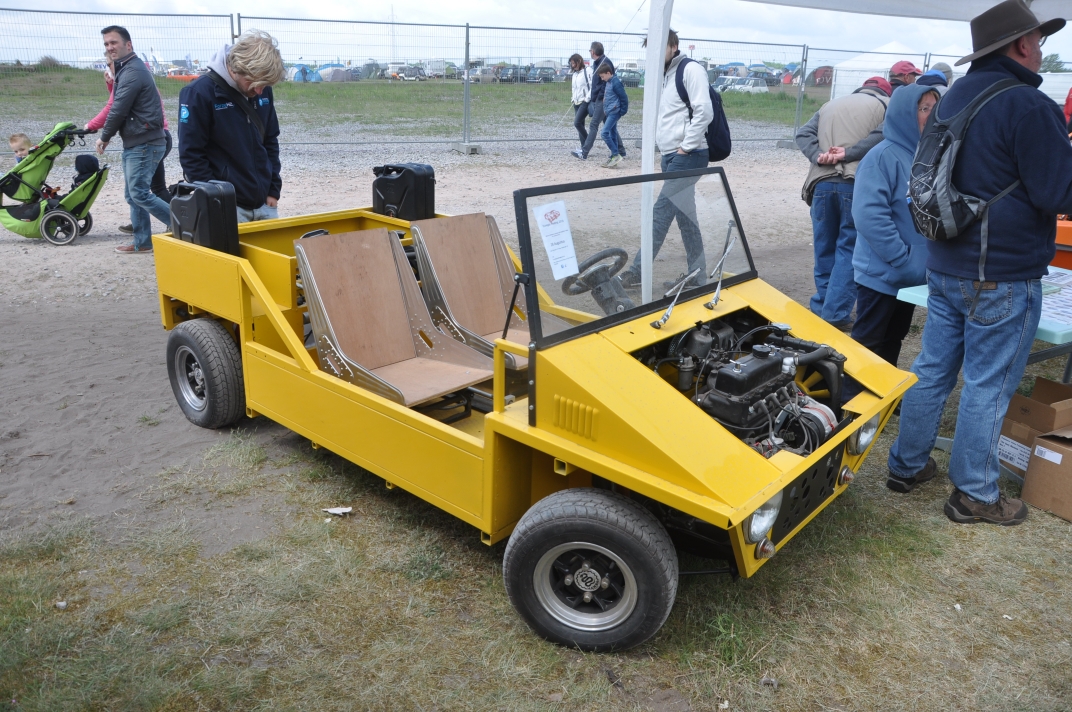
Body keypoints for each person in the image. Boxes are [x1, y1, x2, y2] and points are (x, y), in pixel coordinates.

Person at [887, 0, 1072, 525]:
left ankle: (905, 466)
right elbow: (1058, 192)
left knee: (931, 370)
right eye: (1039, 40)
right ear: (1021, 44)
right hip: (1001, 272)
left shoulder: (954, 95)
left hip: (945, 262)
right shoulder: (1029, 105)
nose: (1041, 50)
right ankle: (974, 494)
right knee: (988, 384)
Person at [844, 84, 938, 404]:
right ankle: (852, 401)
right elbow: (869, 216)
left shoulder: (924, 156)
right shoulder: (881, 156)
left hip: (911, 275)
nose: (930, 115)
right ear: (904, 113)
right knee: (868, 341)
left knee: (894, 337)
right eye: (923, 108)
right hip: (883, 274)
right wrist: (901, 258)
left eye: (934, 108)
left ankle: (883, 397)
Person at [618, 28, 711, 290]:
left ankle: (637, 272)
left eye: (660, 47)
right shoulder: (663, 76)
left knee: (660, 212)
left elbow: (705, 111)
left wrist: (685, 148)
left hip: (689, 155)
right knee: (686, 218)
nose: (655, 54)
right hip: (672, 156)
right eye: (651, 49)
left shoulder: (690, 70)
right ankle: (698, 276)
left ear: (673, 46)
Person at [795, 76, 891, 328]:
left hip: (821, 183)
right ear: (884, 92)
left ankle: (822, 306)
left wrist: (819, 156)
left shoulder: (830, 104)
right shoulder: (886, 105)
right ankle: (835, 314)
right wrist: (850, 153)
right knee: (849, 248)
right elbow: (883, 134)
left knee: (824, 247)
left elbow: (803, 133)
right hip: (855, 183)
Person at [178, 30, 285, 223]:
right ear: (236, 68)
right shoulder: (199, 93)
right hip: (227, 207)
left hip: (265, 204)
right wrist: (216, 199)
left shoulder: (261, 89)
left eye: (264, 85)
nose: (259, 91)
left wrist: (273, 189)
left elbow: (270, 140)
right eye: (254, 82)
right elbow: (191, 154)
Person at [95, 25, 170, 255]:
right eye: (106, 44)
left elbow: (118, 108)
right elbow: (118, 104)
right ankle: (142, 242)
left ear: (128, 45)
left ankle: (189, 226)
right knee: (133, 194)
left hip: (145, 142)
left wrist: (105, 136)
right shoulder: (126, 69)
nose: (110, 47)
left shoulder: (133, 71)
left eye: (114, 42)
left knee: (139, 192)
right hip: (136, 141)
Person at [86, 60, 173, 235]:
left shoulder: (132, 79)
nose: (109, 68)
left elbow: (115, 108)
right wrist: (111, 85)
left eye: (110, 64)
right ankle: (142, 225)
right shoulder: (134, 78)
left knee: (143, 190)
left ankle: (181, 223)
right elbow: (121, 103)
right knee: (143, 189)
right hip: (157, 137)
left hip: (150, 139)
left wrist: (90, 126)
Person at [575, 42, 619, 161]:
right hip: (597, 98)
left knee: (594, 125)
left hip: (602, 99)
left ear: (593, 51)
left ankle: (584, 152)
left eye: (590, 50)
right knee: (610, 126)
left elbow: (607, 81)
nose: (590, 52)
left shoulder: (605, 62)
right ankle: (620, 150)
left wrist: (601, 95)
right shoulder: (597, 63)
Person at [597, 63, 628, 168]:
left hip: (615, 112)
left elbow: (624, 97)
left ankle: (615, 154)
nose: (602, 79)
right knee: (613, 134)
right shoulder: (609, 82)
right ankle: (613, 158)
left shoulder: (616, 83)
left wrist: (622, 111)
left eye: (603, 76)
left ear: (608, 73)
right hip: (609, 111)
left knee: (604, 133)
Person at [569, 54, 591, 152]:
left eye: (574, 63)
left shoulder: (588, 71)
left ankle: (588, 142)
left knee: (577, 123)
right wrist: (573, 98)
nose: (573, 65)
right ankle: (584, 148)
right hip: (576, 102)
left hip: (584, 101)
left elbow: (592, 85)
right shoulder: (574, 74)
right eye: (571, 63)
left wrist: (587, 98)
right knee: (580, 125)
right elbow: (574, 88)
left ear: (579, 61)